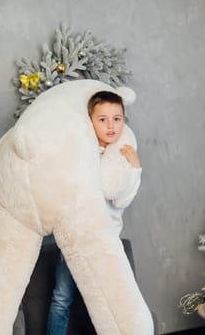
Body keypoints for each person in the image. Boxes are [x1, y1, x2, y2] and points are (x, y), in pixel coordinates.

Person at [47, 91, 142, 335]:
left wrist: (134, 169)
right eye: (102, 119)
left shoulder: (122, 154)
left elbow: (121, 200)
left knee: (107, 306)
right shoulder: (82, 152)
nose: (111, 126)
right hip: (77, 239)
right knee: (61, 297)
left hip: (106, 242)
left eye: (117, 119)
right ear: (90, 121)